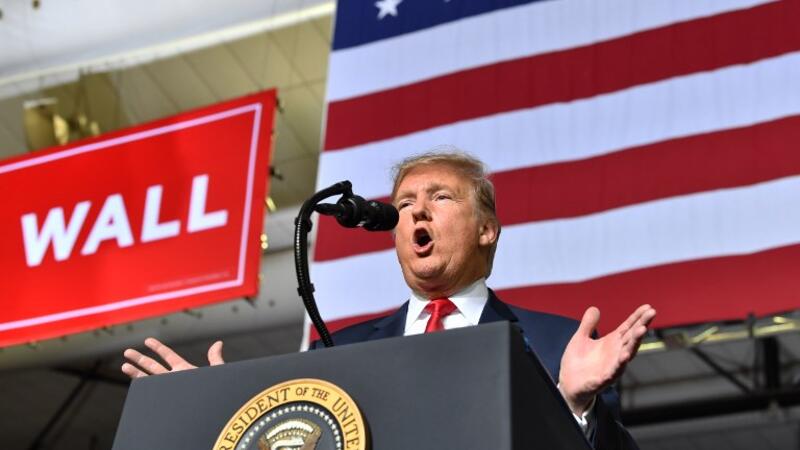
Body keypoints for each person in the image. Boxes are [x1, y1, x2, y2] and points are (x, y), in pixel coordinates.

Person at [123, 151, 655, 449]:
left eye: (440, 197)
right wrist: (213, 409)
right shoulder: (338, 351)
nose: (417, 212)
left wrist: (575, 406)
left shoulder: (557, 343)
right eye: (404, 203)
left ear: (487, 229)